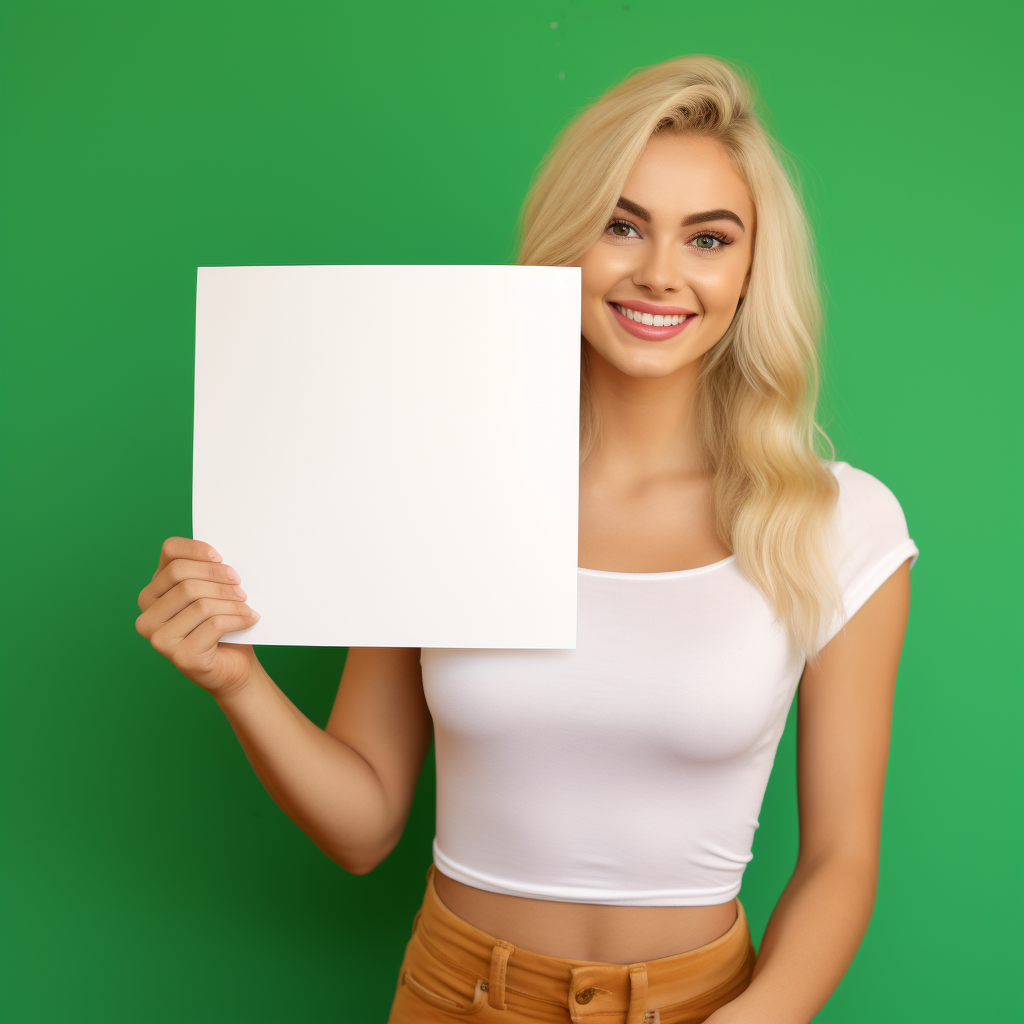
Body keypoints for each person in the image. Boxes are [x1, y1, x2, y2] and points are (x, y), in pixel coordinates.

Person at [135, 54, 918, 1024]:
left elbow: (841, 858)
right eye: (621, 224)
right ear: (567, 241)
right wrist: (237, 681)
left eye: (707, 238)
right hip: (451, 995)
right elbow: (364, 822)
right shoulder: (445, 480)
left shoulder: (837, 521)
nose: (660, 273)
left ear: (753, 267)